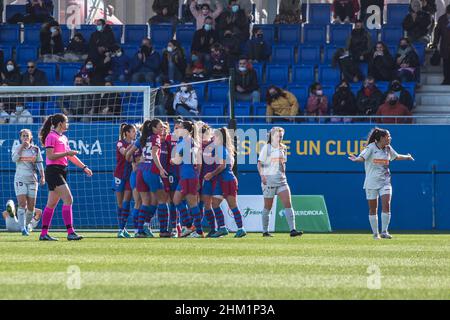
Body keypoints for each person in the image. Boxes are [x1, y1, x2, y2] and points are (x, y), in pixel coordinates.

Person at [349, 128, 415, 239]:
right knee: (373, 209)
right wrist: (356, 159)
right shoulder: (370, 148)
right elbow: (362, 157)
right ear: (381, 138)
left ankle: (384, 231)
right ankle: (375, 234)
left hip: (385, 182)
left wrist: (407, 157)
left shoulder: (388, 148)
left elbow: (396, 156)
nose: (390, 138)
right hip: (371, 182)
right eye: (388, 136)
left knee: (386, 204)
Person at [38, 113, 93, 241]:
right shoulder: (51, 136)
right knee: (68, 199)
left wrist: (84, 167)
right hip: (53, 171)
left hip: (62, 170)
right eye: (66, 121)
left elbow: (70, 156)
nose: (67, 124)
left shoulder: (64, 138)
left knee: (51, 204)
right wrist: (67, 153)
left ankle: (43, 234)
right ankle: (70, 232)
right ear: (60, 123)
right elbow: (50, 156)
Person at [257, 127, 304, 238]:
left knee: (288, 204)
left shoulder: (283, 148)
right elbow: (259, 164)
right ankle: (265, 231)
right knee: (268, 207)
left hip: (282, 181)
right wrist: (262, 176)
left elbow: (283, 163)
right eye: (278, 136)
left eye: (281, 136)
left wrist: (283, 172)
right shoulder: (267, 148)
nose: (280, 138)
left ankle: (293, 230)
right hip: (269, 181)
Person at [135, 119, 171, 238]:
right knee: (162, 200)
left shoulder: (145, 138)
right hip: (151, 170)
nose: (162, 129)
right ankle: (163, 230)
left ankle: (140, 230)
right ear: (154, 128)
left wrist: (135, 162)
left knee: (146, 201)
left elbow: (129, 152)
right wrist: (160, 169)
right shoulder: (155, 137)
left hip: (141, 170)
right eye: (160, 127)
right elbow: (155, 154)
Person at [209, 127, 247, 238]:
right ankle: (222, 228)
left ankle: (241, 229)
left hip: (227, 180)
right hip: (223, 180)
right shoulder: (223, 148)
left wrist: (211, 174)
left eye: (214, 136)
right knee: (215, 204)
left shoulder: (221, 148)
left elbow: (222, 166)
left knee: (232, 205)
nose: (212, 138)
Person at [171, 120, 204, 238]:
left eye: (179, 127)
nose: (177, 129)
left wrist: (173, 160)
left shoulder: (186, 141)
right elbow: (199, 162)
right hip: (187, 175)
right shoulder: (190, 141)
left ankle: (199, 231)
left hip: (188, 175)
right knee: (176, 200)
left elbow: (177, 159)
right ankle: (190, 226)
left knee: (192, 204)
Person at [11, 129, 45, 235]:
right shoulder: (17, 148)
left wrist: (43, 176)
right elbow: (14, 159)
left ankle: (26, 225)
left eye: (27, 136)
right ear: (21, 138)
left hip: (32, 180)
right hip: (20, 179)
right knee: (22, 204)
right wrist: (21, 147)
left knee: (31, 207)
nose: (25, 137)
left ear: (31, 137)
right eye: (23, 136)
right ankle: (22, 229)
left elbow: (39, 163)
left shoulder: (35, 149)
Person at [113, 124, 136, 238]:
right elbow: (125, 154)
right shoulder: (120, 143)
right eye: (133, 131)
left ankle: (122, 229)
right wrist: (133, 149)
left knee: (126, 202)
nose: (135, 134)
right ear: (126, 132)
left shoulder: (134, 144)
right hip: (120, 175)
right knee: (120, 203)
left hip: (130, 175)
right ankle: (121, 228)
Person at [198, 124, 220, 237]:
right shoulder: (198, 146)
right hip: (202, 178)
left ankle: (215, 228)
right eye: (200, 135)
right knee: (202, 203)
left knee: (210, 203)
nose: (202, 137)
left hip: (213, 179)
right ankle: (198, 229)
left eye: (205, 134)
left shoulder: (215, 145)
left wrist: (212, 174)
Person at [432, 4, 450, 85]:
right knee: (446, 64)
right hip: (445, 45)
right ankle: (446, 80)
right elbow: (437, 32)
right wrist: (435, 43)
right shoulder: (442, 19)